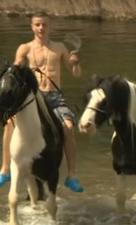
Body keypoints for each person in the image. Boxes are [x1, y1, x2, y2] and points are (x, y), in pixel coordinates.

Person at [0, 12, 84, 192]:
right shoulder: (25, 48)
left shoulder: (60, 47)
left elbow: (76, 74)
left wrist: (76, 63)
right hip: (32, 97)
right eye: (37, 24)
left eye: (44, 24)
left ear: (49, 26)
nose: (41, 28)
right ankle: (5, 169)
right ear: (32, 27)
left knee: (68, 127)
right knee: (9, 124)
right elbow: (15, 73)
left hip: (55, 96)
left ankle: (72, 175)